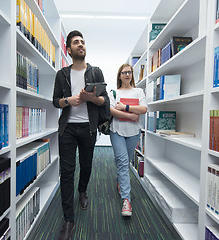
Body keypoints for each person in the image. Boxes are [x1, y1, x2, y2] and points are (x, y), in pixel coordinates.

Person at [52, 30, 109, 240]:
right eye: (76, 42)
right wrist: (69, 101)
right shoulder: (62, 75)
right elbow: (55, 101)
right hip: (67, 129)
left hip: (88, 128)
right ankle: (69, 220)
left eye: (83, 42)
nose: (80, 45)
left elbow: (105, 102)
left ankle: (82, 190)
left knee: (86, 165)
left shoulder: (96, 72)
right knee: (66, 172)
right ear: (69, 49)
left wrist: (90, 98)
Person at [109, 63, 147, 217]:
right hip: (116, 131)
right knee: (123, 161)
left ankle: (120, 180)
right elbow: (111, 110)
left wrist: (124, 107)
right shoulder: (113, 92)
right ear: (119, 75)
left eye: (130, 72)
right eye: (124, 72)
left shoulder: (138, 91)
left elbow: (143, 109)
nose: (127, 75)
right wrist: (131, 114)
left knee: (126, 161)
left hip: (133, 132)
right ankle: (127, 200)